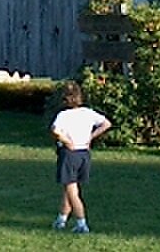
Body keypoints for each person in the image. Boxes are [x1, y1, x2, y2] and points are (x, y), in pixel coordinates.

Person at [50, 81, 111, 234]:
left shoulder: (63, 115)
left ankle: (81, 223)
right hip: (84, 154)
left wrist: (66, 141)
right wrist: (91, 137)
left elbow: (55, 130)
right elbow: (106, 124)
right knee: (70, 186)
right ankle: (61, 219)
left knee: (72, 191)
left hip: (69, 154)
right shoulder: (88, 112)